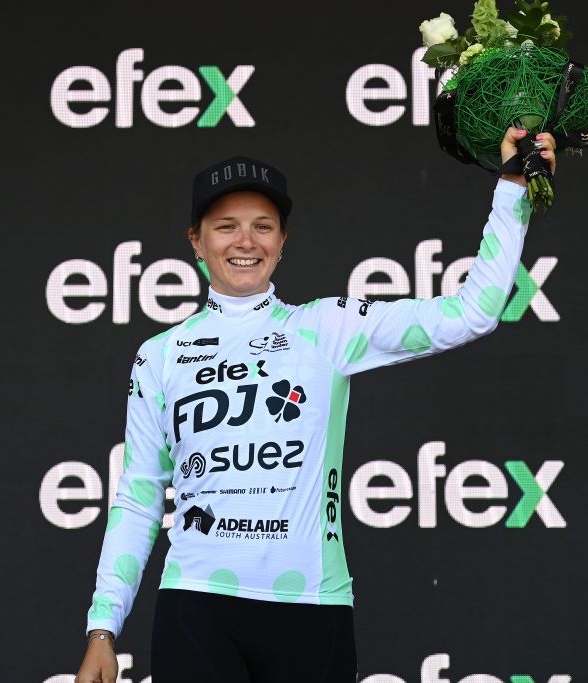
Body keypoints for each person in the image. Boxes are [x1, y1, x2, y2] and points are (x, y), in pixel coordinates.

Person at [75, 127, 556, 683]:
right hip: (197, 604)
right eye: (225, 226)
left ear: (283, 241)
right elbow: (138, 500)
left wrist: (514, 187)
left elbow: (475, 311)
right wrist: (102, 627)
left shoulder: (327, 327)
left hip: (313, 610)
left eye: (263, 226)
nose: (245, 241)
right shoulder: (159, 356)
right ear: (195, 241)